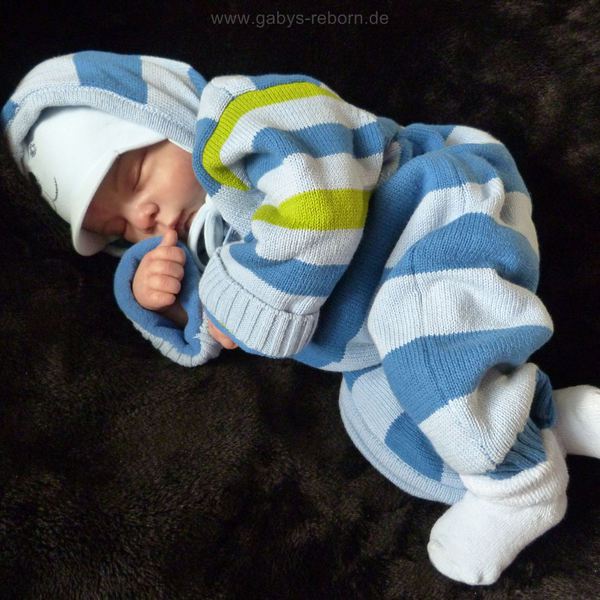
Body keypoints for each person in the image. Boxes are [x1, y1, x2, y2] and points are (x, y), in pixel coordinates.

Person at [3, 50, 599, 586]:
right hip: (373, 339)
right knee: (376, 420)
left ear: (165, 117)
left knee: (421, 337)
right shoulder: (204, 245)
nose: (144, 217)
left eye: (135, 178)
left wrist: (252, 300)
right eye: (119, 228)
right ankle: (545, 429)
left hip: (435, 214)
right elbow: (217, 326)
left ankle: (520, 490)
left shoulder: (242, 118)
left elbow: (320, 197)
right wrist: (159, 295)